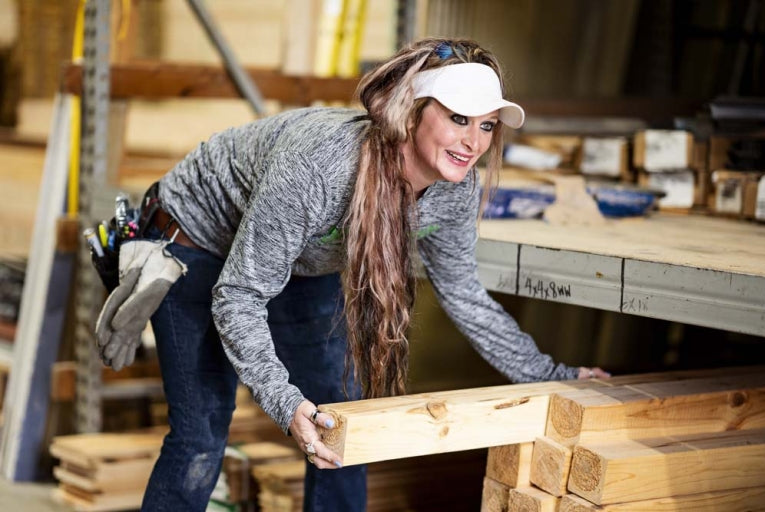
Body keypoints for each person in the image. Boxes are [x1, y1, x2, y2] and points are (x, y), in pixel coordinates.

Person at [104, 38, 609, 511]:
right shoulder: (321, 168)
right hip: (196, 240)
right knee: (202, 429)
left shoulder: (456, 188)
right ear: (411, 112)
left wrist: (552, 376)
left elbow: (464, 294)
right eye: (458, 118)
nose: (473, 142)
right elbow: (239, 294)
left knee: (339, 419)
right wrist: (284, 403)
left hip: (298, 258)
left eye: (487, 125)